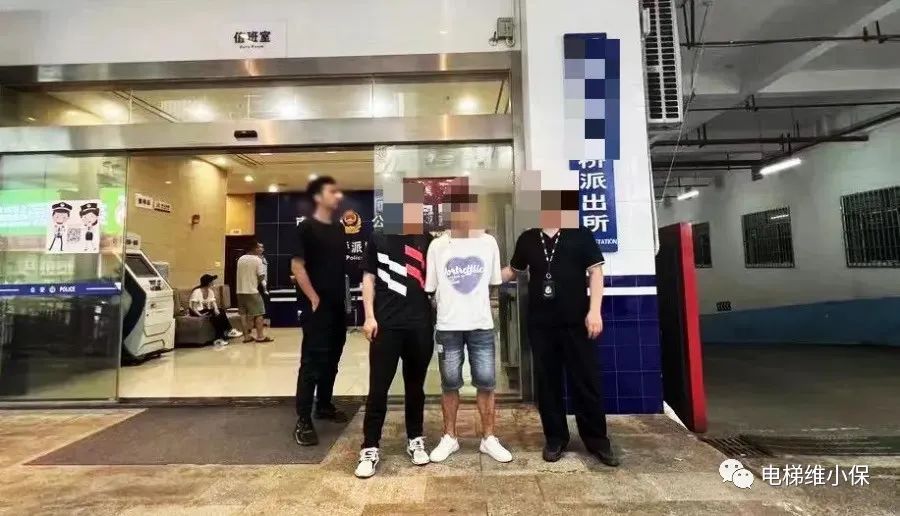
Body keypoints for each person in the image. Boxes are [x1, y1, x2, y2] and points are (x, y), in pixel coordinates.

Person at [501, 191, 620, 467]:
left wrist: (594, 311)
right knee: (548, 384)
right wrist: (480, 275)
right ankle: (555, 438)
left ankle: (597, 440)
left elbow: (596, 273)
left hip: (578, 323)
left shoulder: (580, 234)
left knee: (586, 382)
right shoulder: (528, 238)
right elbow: (512, 271)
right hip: (541, 325)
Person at [425, 192, 513, 464]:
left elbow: (493, 284)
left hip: (481, 325)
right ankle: (449, 437)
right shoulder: (437, 246)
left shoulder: (488, 243)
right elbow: (431, 288)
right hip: (448, 326)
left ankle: (489, 438)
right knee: (449, 384)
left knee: (486, 383)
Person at [354, 184, 434, 478]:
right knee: (378, 388)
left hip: (420, 325)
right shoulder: (378, 237)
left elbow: (433, 282)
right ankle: (369, 447)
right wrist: (369, 316)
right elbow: (368, 279)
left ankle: (415, 438)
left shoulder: (427, 239)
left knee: (415, 387)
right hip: (386, 325)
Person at [291, 175, 348, 446]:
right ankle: (303, 419)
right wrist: (314, 298)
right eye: (331, 191)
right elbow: (297, 266)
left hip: (337, 307)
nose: (338, 196)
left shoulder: (338, 229)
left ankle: (324, 405)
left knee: (332, 359)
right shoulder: (306, 228)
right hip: (317, 308)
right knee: (312, 362)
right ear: (317, 197)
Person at [188, 273, 242, 347]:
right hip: (195, 311)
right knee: (215, 315)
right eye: (212, 281)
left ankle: (222, 336)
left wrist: (216, 310)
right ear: (208, 282)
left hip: (205, 310)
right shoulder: (197, 292)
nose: (213, 282)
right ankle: (224, 334)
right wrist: (200, 315)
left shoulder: (210, 291)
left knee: (219, 312)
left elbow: (213, 303)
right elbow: (193, 307)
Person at [236, 242, 273, 343]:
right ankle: (260, 336)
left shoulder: (241, 259)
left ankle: (246, 337)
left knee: (243, 315)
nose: (261, 249)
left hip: (240, 291)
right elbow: (261, 276)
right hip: (252, 291)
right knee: (259, 313)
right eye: (259, 247)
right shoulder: (257, 260)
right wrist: (264, 286)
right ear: (254, 248)